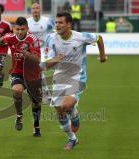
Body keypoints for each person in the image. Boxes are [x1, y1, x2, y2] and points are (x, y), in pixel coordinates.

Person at [43, 12, 106, 150]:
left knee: (66, 106)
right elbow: (46, 64)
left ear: (69, 24)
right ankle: (72, 139)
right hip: (59, 76)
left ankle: (74, 114)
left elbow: (99, 38)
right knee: (59, 111)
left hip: (77, 76)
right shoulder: (50, 39)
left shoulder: (81, 37)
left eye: (60, 23)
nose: (57, 25)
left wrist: (102, 57)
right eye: (56, 23)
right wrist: (55, 60)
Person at [0, 17, 42, 137]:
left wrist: (26, 53)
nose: (20, 32)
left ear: (27, 29)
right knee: (16, 91)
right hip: (17, 72)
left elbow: (38, 60)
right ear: (14, 29)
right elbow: (1, 40)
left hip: (33, 74)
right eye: (17, 29)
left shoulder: (33, 39)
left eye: (23, 29)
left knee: (36, 103)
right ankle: (19, 115)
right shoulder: (10, 37)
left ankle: (36, 126)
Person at [27, 2, 54, 104]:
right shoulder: (27, 22)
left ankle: (45, 95)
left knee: (39, 70)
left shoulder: (47, 21)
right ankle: (46, 95)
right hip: (33, 51)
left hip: (45, 50)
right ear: (31, 10)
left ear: (40, 9)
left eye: (37, 8)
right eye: (33, 8)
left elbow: (54, 34)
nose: (35, 10)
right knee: (38, 72)